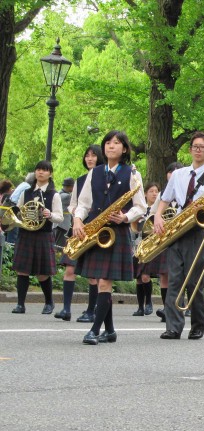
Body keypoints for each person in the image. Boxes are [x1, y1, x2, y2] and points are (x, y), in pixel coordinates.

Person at [73, 130, 146, 345]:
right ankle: (110, 330)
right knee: (98, 281)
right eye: (107, 142)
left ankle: (94, 330)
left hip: (117, 231)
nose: (110, 146)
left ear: (124, 148)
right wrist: (78, 220)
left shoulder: (132, 173)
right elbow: (84, 203)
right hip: (95, 231)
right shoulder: (94, 173)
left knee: (104, 281)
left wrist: (125, 216)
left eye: (116, 143)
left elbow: (141, 206)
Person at [153, 131, 204, 341]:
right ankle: (174, 326)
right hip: (177, 228)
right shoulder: (178, 175)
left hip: (198, 231)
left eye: (202, 147)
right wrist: (159, 217)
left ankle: (198, 325)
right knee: (174, 280)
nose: (198, 150)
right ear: (190, 150)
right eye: (195, 147)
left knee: (193, 281)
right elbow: (165, 198)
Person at [55, 145, 104, 322]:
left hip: (96, 228)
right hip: (78, 227)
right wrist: (76, 212)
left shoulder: (106, 177)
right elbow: (73, 203)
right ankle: (66, 309)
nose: (89, 159)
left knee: (93, 274)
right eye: (87, 156)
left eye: (93, 156)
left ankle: (91, 310)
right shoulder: (81, 180)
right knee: (70, 268)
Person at [11, 161, 63, 314]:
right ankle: (20, 304)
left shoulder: (54, 195)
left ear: (50, 174)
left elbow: (59, 217)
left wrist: (50, 214)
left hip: (43, 235)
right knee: (22, 270)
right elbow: (18, 212)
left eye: (45, 170)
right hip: (26, 234)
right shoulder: (26, 193)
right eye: (38, 169)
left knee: (42, 273)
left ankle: (49, 302)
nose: (41, 172)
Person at [154, 161, 183, 323]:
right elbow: (153, 214)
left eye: (176, 171)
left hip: (183, 234)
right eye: (170, 172)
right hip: (166, 237)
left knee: (182, 273)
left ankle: (182, 304)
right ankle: (167, 307)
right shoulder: (163, 194)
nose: (173, 175)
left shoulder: (188, 190)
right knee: (165, 274)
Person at [132, 182, 167, 316]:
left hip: (152, 246)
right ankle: (140, 306)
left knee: (146, 276)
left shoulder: (159, 209)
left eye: (156, 191)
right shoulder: (140, 209)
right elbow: (134, 227)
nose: (154, 193)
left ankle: (149, 303)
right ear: (145, 193)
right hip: (139, 244)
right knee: (139, 277)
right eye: (151, 191)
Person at [53, 178, 74, 248]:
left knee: (56, 245)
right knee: (60, 247)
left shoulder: (59, 193)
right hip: (62, 225)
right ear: (70, 187)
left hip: (57, 224)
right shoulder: (67, 196)